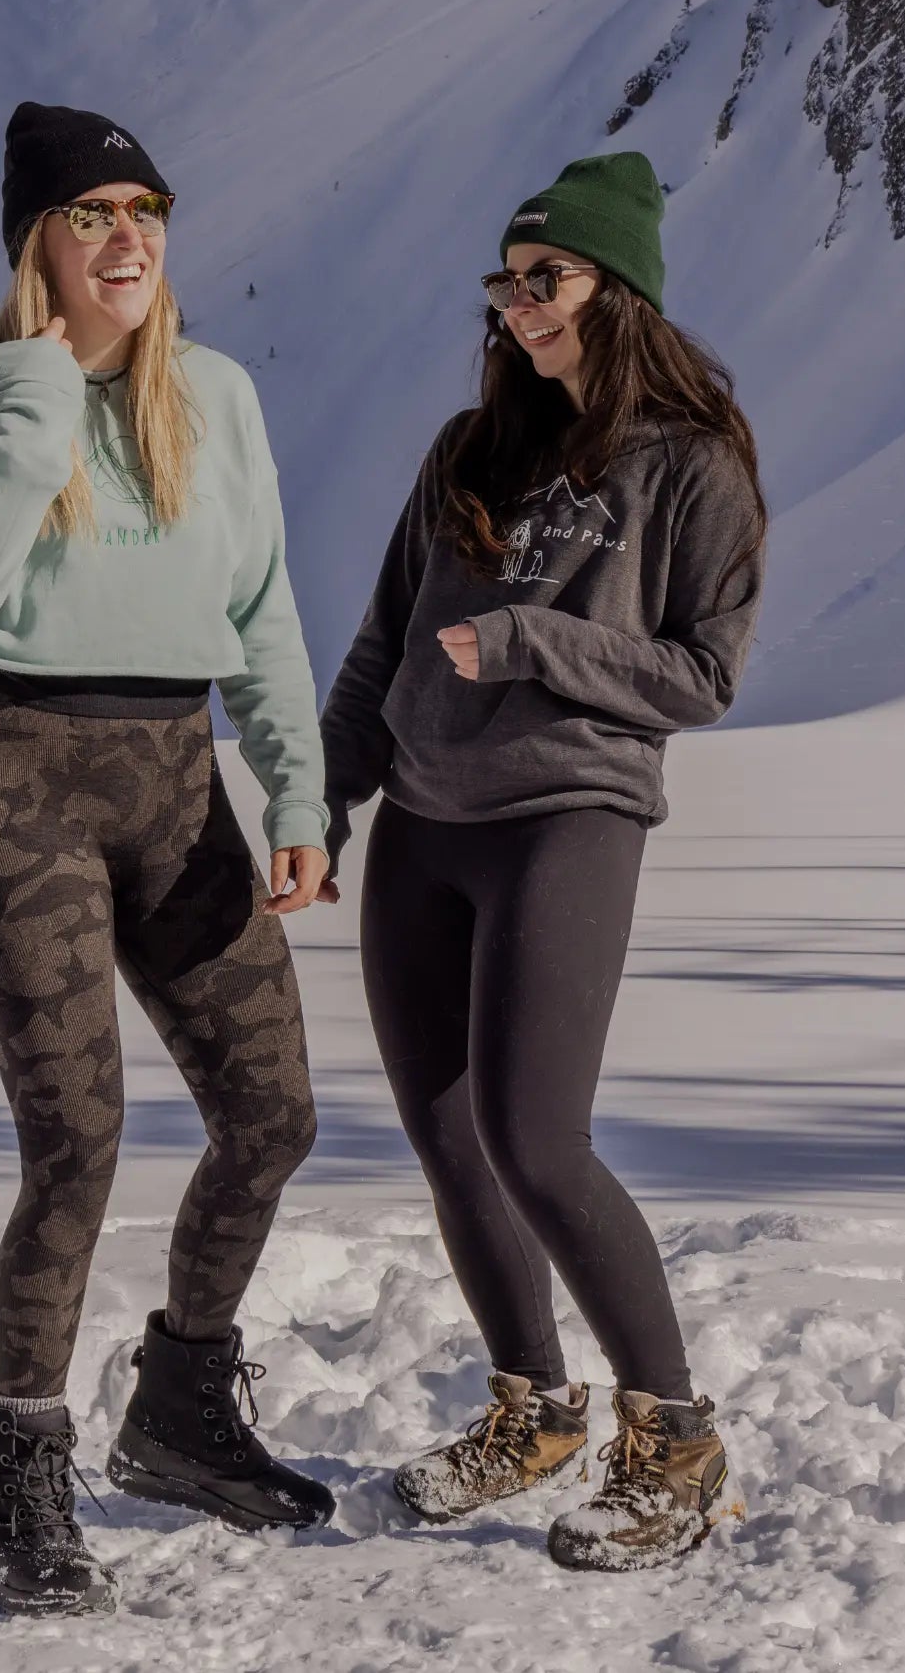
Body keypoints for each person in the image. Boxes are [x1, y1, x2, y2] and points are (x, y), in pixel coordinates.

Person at [0, 102, 335, 1620]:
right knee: (76, 1145)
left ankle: (180, 1412)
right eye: (91, 214)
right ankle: (20, 1484)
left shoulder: (211, 392)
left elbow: (263, 603)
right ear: (39, 242)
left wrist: (296, 794)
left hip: (175, 775)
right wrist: (32, 422)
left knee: (271, 1115)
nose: (129, 237)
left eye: (145, 209)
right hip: (15, 769)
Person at [320, 149, 765, 1573]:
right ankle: (532, 1409)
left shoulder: (693, 466)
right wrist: (318, 803)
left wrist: (529, 642)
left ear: (615, 287)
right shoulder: (466, 452)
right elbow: (380, 649)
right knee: (448, 1140)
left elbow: (701, 676)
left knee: (536, 1139)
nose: (517, 307)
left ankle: (677, 1443)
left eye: (546, 278)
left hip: (569, 814)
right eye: (505, 284)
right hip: (422, 825)